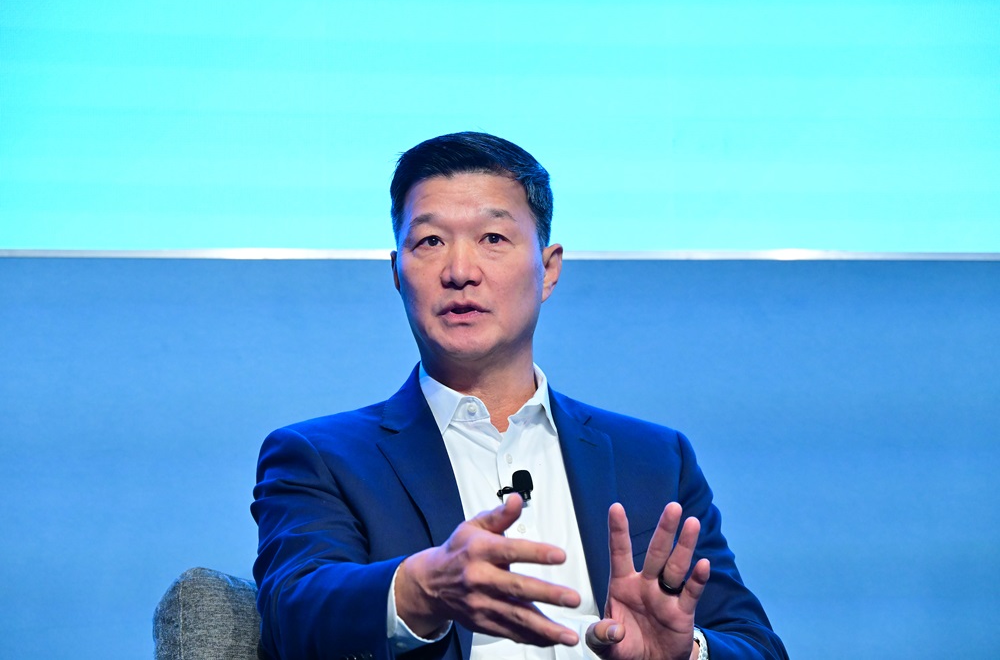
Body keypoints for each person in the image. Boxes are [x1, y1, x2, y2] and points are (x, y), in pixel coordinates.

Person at [252, 132, 787, 660]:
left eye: (492, 238)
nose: (460, 272)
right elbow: (289, 619)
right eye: (430, 242)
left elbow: (755, 645)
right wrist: (421, 589)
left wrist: (686, 653)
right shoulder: (322, 458)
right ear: (396, 272)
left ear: (548, 269)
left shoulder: (654, 460)